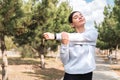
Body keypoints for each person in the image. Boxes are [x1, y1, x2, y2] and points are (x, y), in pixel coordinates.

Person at [43, 11, 98, 80]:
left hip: (87, 74)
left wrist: (55, 36)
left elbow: (81, 37)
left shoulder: (92, 32)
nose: (80, 17)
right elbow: (64, 61)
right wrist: (64, 45)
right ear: (72, 25)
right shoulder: (66, 38)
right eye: (76, 17)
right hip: (71, 75)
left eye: (81, 15)